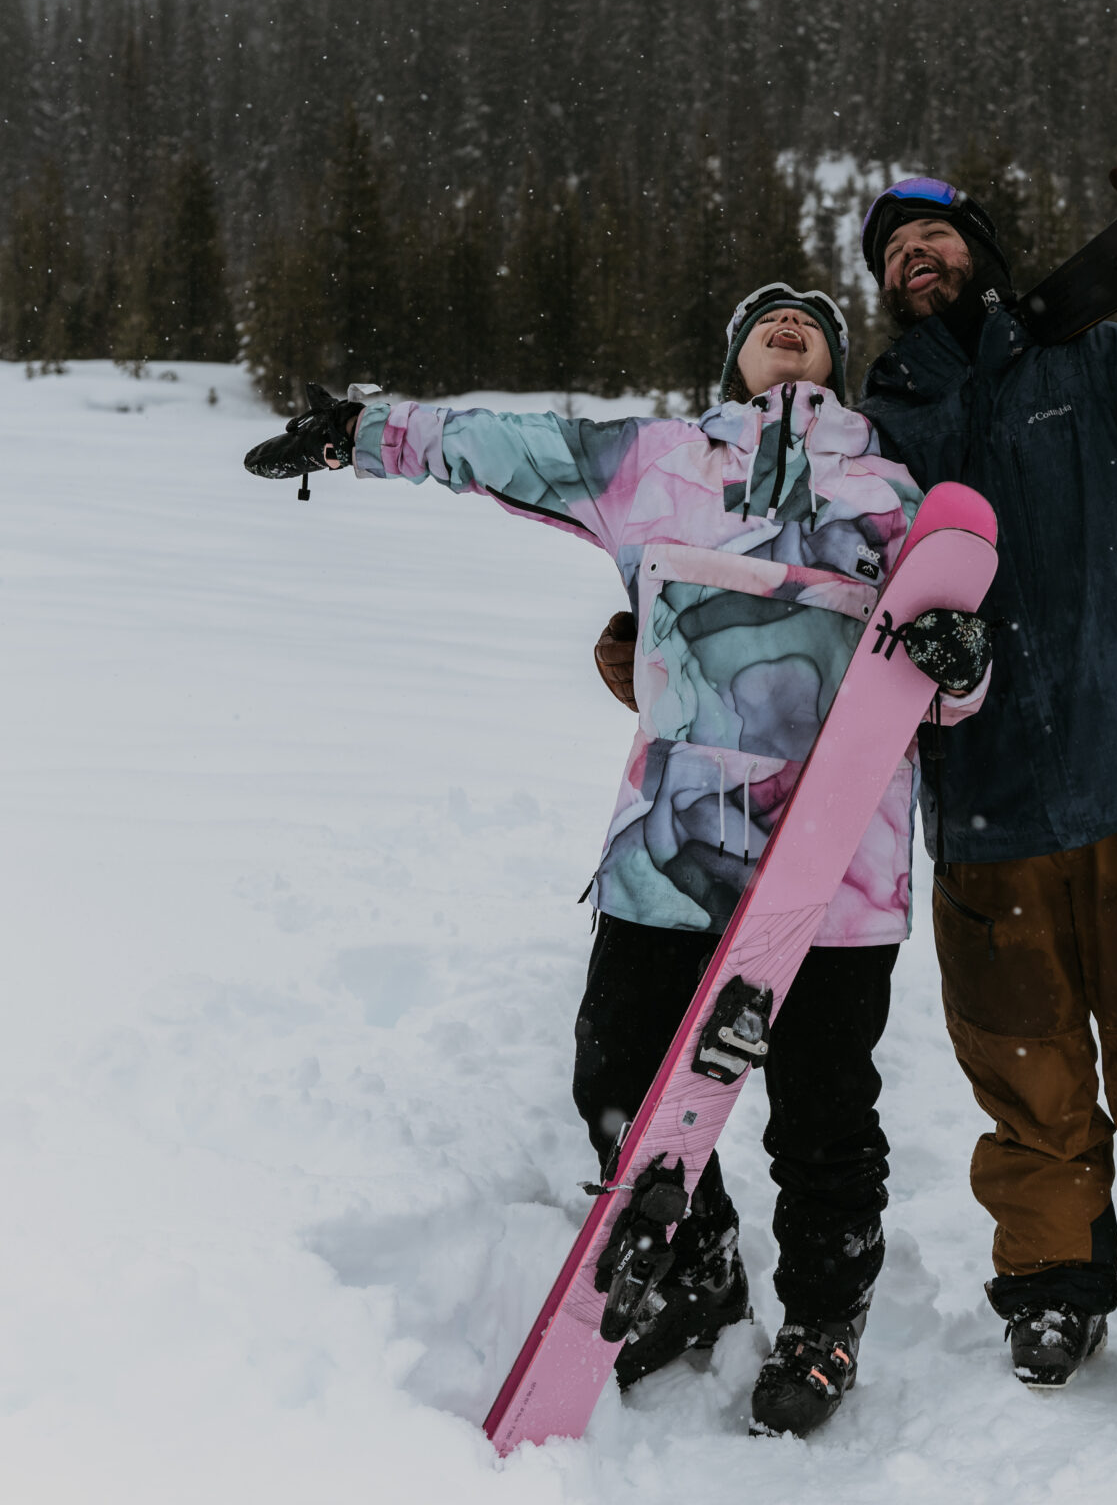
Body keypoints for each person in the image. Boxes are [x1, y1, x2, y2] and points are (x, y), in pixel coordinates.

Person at [244, 283, 989, 1436]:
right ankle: (697, 1265)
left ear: (837, 359)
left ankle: (822, 1323)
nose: (788, 319)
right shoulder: (656, 462)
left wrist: (962, 662)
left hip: (841, 866)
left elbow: (950, 681)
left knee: (825, 1116)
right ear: (731, 354)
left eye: (811, 316)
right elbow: (509, 446)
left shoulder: (895, 489)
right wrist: (366, 431)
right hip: (674, 846)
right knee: (618, 1079)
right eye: (765, 314)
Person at [857, 161, 1117, 1398]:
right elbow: (796, 554)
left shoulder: (1091, 363)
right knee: (1020, 1059)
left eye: (932, 238)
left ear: (980, 251)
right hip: (983, 795)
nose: (912, 261)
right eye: (891, 255)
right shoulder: (883, 425)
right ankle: (1051, 1285)